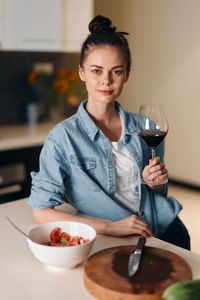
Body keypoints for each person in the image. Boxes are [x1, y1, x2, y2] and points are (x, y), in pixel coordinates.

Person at [27, 15, 190, 250]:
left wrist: (155, 182)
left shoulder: (146, 127)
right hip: (113, 239)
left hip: (165, 229)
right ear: (82, 73)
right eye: (96, 71)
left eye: (116, 71)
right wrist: (110, 227)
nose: (106, 81)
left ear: (127, 74)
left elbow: (159, 191)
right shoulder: (62, 139)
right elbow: (41, 212)